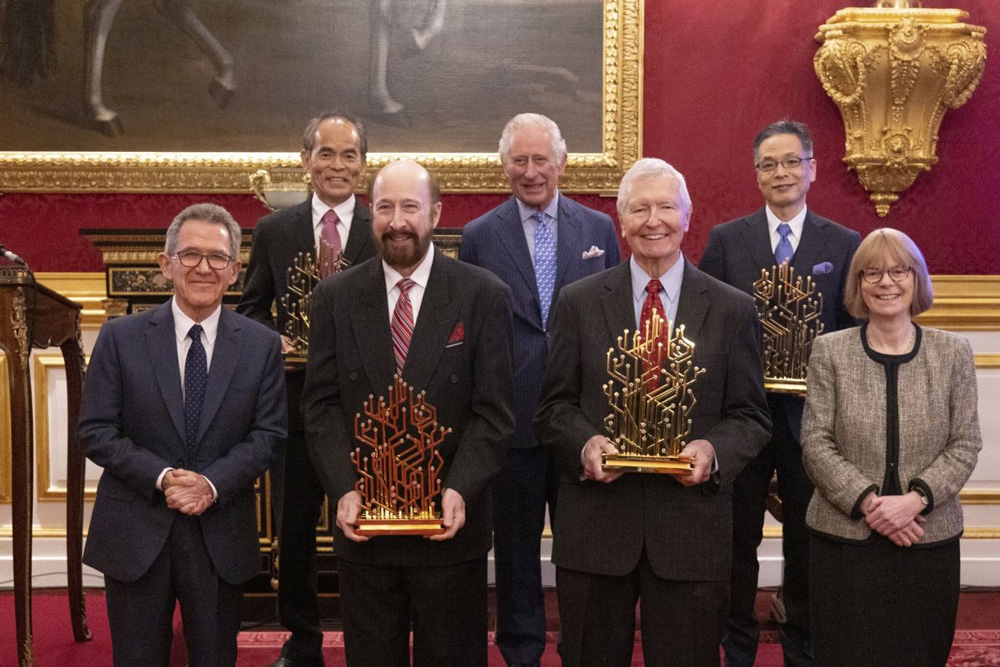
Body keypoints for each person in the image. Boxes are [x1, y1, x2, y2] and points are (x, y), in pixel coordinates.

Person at [534, 158, 772, 667]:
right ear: (621, 223)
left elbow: (751, 415)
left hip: (691, 533)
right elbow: (553, 407)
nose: (653, 220)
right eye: (639, 209)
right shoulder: (577, 302)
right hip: (596, 530)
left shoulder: (732, 309)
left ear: (687, 217)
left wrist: (712, 450)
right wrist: (584, 444)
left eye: (666, 206)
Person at [302, 160, 515, 666]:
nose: (398, 220)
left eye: (410, 207)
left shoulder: (483, 295)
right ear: (369, 215)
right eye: (385, 207)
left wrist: (459, 489)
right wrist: (344, 489)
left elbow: (494, 414)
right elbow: (321, 407)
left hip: (448, 525)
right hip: (365, 527)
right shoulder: (334, 297)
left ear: (436, 214)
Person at [78, 203, 287, 666]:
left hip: (219, 533)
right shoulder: (119, 337)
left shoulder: (261, 345)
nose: (203, 268)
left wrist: (209, 484)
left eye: (217, 258)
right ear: (166, 263)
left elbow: (269, 435)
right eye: (190, 255)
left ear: (234, 270)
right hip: (135, 532)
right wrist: (165, 477)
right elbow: (95, 431)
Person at [459, 112, 620, 667]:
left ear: (562, 162)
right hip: (514, 418)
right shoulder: (479, 236)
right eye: (519, 161)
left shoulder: (599, 230)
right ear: (504, 167)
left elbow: (615, 316)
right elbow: (471, 333)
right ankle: (521, 650)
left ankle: (582, 646)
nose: (531, 172)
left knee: (584, 549)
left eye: (540, 159)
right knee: (517, 551)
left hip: (583, 419)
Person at [699, 119, 861, 667]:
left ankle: (803, 645)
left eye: (792, 161)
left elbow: (850, 335)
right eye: (769, 164)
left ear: (812, 169)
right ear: (757, 175)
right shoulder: (726, 240)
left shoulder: (843, 244)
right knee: (736, 540)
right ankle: (736, 645)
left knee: (807, 541)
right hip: (740, 420)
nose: (781, 172)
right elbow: (705, 326)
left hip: (813, 424)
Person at [801, 228, 981, 667]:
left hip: (926, 537)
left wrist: (914, 501)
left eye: (899, 271)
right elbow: (815, 441)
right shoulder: (829, 351)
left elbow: (965, 442)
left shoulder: (953, 352)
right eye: (872, 273)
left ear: (916, 279)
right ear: (858, 284)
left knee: (919, 653)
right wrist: (871, 505)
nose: (886, 282)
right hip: (844, 542)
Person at [238, 112, 376, 667]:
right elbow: (250, 310)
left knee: (366, 522)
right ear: (306, 160)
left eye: (349, 156)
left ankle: (372, 631)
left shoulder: (380, 230)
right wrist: (275, 342)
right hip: (294, 403)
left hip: (366, 407)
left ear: (363, 166)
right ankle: (302, 639)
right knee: (294, 526)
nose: (338, 165)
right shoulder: (275, 230)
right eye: (327, 153)